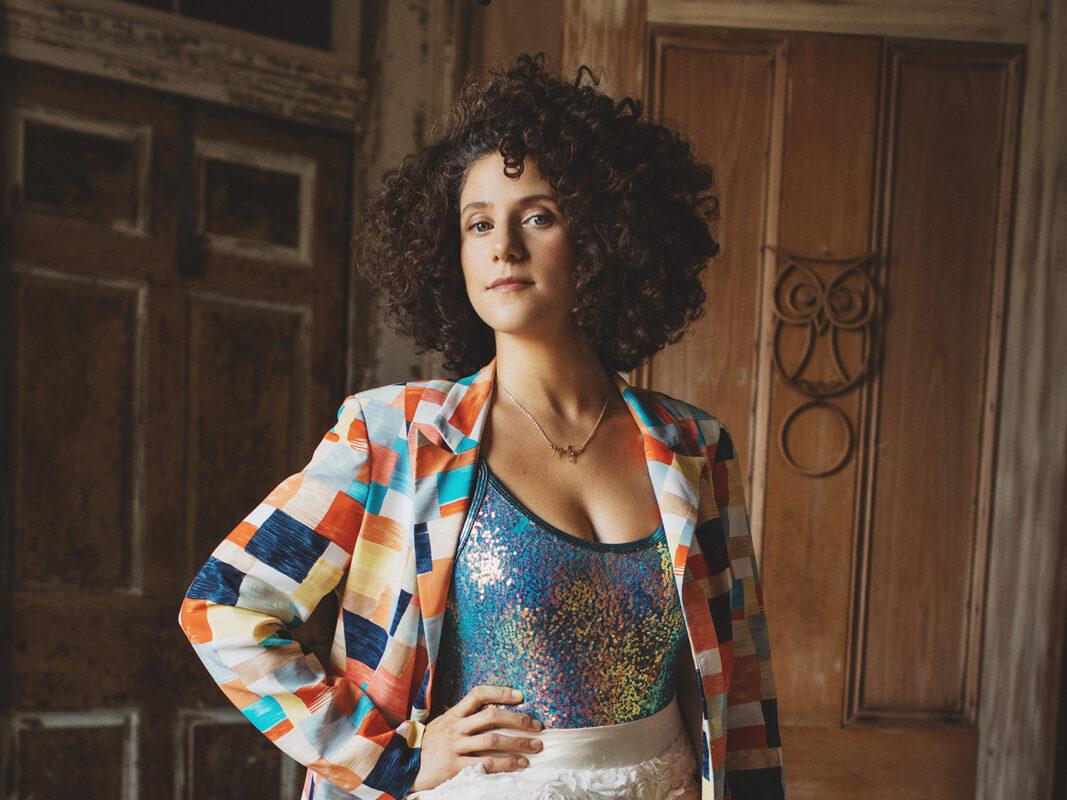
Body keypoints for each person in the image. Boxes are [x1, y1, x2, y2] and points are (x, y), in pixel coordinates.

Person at [180, 54, 783, 800]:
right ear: (449, 250)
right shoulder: (396, 436)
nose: (503, 246)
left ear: (602, 237)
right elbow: (223, 606)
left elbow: (739, 683)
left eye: (537, 215)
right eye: (476, 224)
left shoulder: (693, 447)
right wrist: (393, 758)